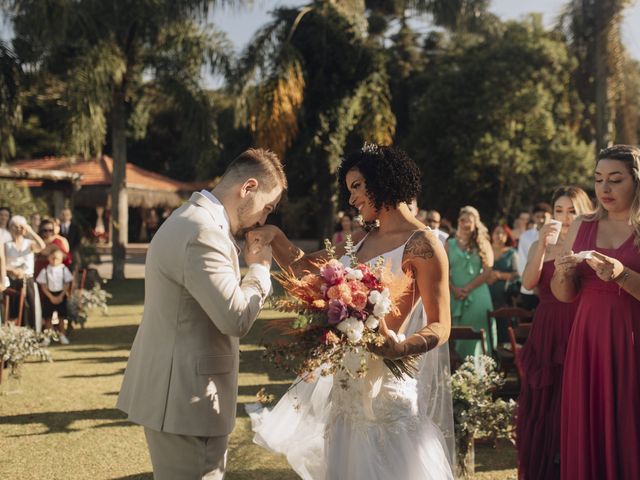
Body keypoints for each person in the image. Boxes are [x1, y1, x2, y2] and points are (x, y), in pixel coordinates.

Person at [247, 145, 454, 480]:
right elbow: (305, 268)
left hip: (385, 385)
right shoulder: (361, 237)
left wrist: (400, 347)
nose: (352, 199)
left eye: (357, 187)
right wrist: (274, 237)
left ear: (383, 181)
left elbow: (441, 325)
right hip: (346, 383)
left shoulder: (424, 244)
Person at [116, 148, 285, 480]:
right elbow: (235, 318)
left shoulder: (191, 218)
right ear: (248, 187)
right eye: (267, 207)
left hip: (174, 393)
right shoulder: (202, 231)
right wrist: (261, 272)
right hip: (187, 400)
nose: (263, 220)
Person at [552, 145, 640, 480]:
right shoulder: (582, 225)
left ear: (635, 181)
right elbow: (566, 295)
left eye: (615, 180)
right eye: (598, 179)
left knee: (628, 420)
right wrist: (562, 273)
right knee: (591, 422)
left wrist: (621, 274)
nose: (604, 189)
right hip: (588, 342)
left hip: (632, 340)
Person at [516, 186, 593, 480]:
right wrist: (541, 245)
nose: (565, 216)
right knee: (545, 396)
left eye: (572, 210)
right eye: (559, 210)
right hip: (547, 326)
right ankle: (548, 464)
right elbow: (528, 282)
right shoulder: (541, 244)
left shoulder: (589, 241)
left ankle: (576, 459)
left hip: (579, 324)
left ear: (584, 210)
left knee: (574, 394)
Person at [447, 206, 496, 358]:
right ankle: (459, 374)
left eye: (470, 221)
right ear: (458, 222)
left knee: (478, 333)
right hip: (454, 295)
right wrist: (453, 289)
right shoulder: (449, 244)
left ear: (476, 223)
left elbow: (488, 270)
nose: (465, 224)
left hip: (478, 295)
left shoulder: (483, 243)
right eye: (463, 220)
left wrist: (468, 288)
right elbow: (442, 271)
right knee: (457, 334)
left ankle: (481, 371)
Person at [4, 215, 46, 330]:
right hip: (12, 280)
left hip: (27, 279)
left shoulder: (29, 243)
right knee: (13, 309)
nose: (17, 229)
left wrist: (30, 230)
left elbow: (42, 246)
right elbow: (2, 263)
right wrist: (12, 270)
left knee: (30, 307)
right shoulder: (6, 245)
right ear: (10, 228)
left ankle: (32, 333)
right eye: (15, 226)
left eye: (20, 227)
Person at [517, 203, 552, 310]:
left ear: (551, 217)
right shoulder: (525, 236)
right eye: (538, 217)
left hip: (550, 289)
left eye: (544, 217)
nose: (541, 220)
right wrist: (532, 283)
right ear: (533, 218)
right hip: (529, 289)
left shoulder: (556, 236)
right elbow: (522, 261)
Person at [36, 247, 73, 345]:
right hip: (49, 296)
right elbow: (43, 285)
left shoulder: (64, 269)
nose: (54, 260)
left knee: (61, 317)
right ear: (48, 258)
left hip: (61, 295)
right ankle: (47, 337)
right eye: (53, 258)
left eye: (57, 258)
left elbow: (67, 284)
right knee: (48, 318)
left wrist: (61, 296)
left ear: (61, 259)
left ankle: (62, 335)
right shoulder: (45, 271)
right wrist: (51, 297)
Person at [488, 223, 519, 309]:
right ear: (492, 234)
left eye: (503, 233)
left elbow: (518, 275)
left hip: (506, 299)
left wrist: (499, 276)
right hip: (485, 295)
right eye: (497, 232)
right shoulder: (484, 252)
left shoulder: (512, 253)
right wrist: (487, 277)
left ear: (507, 236)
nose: (500, 235)